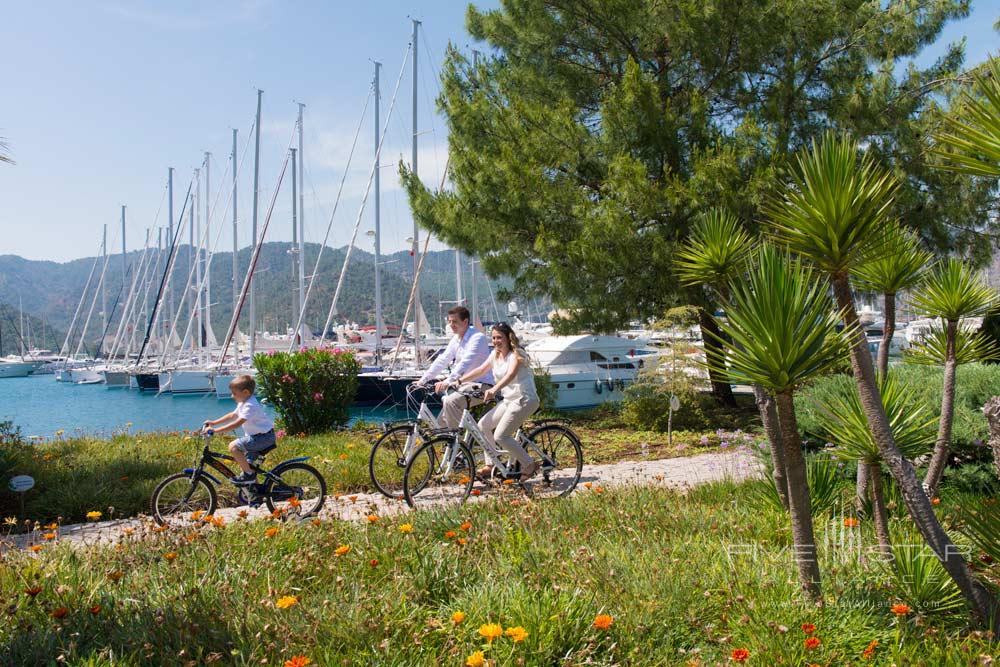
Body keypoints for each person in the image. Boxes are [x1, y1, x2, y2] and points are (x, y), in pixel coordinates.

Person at [459, 322, 540, 481]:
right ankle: (491, 464)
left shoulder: (517, 354)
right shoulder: (495, 355)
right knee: (483, 426)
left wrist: (494, 389)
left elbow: (510, 375)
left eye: (499, 337)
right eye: (494, 338)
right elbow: (481, 370)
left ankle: (529, 464)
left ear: (508, 338)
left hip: (524, 398)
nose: (496, 341)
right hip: (510, 400)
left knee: (501, 436)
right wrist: (458, 381)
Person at [416, 305, 493, 428]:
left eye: (454, 322)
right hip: (463, 385)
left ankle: (456, 441)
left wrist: (448, 381)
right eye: (449, 321)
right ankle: (448, 440)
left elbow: (465, 363)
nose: (451, 325)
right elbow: (442, 360)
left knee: (450, 401)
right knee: (440, 425)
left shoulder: (477, 338)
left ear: (465, 321)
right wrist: (423, 380)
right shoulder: (456, 339)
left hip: (482, 385)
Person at [202, 374, 275, 485]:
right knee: (248, 466)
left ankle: (249, 476)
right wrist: (214, 422)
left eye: (234, 393)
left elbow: (237, 423)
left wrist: (215, 430)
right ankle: (255, 493)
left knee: (233, 447)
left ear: (245, 392)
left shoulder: (250, 406)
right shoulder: (243, 403)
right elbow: (233, 415)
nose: (232, 396)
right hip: (259, 437)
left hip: (263, 438)